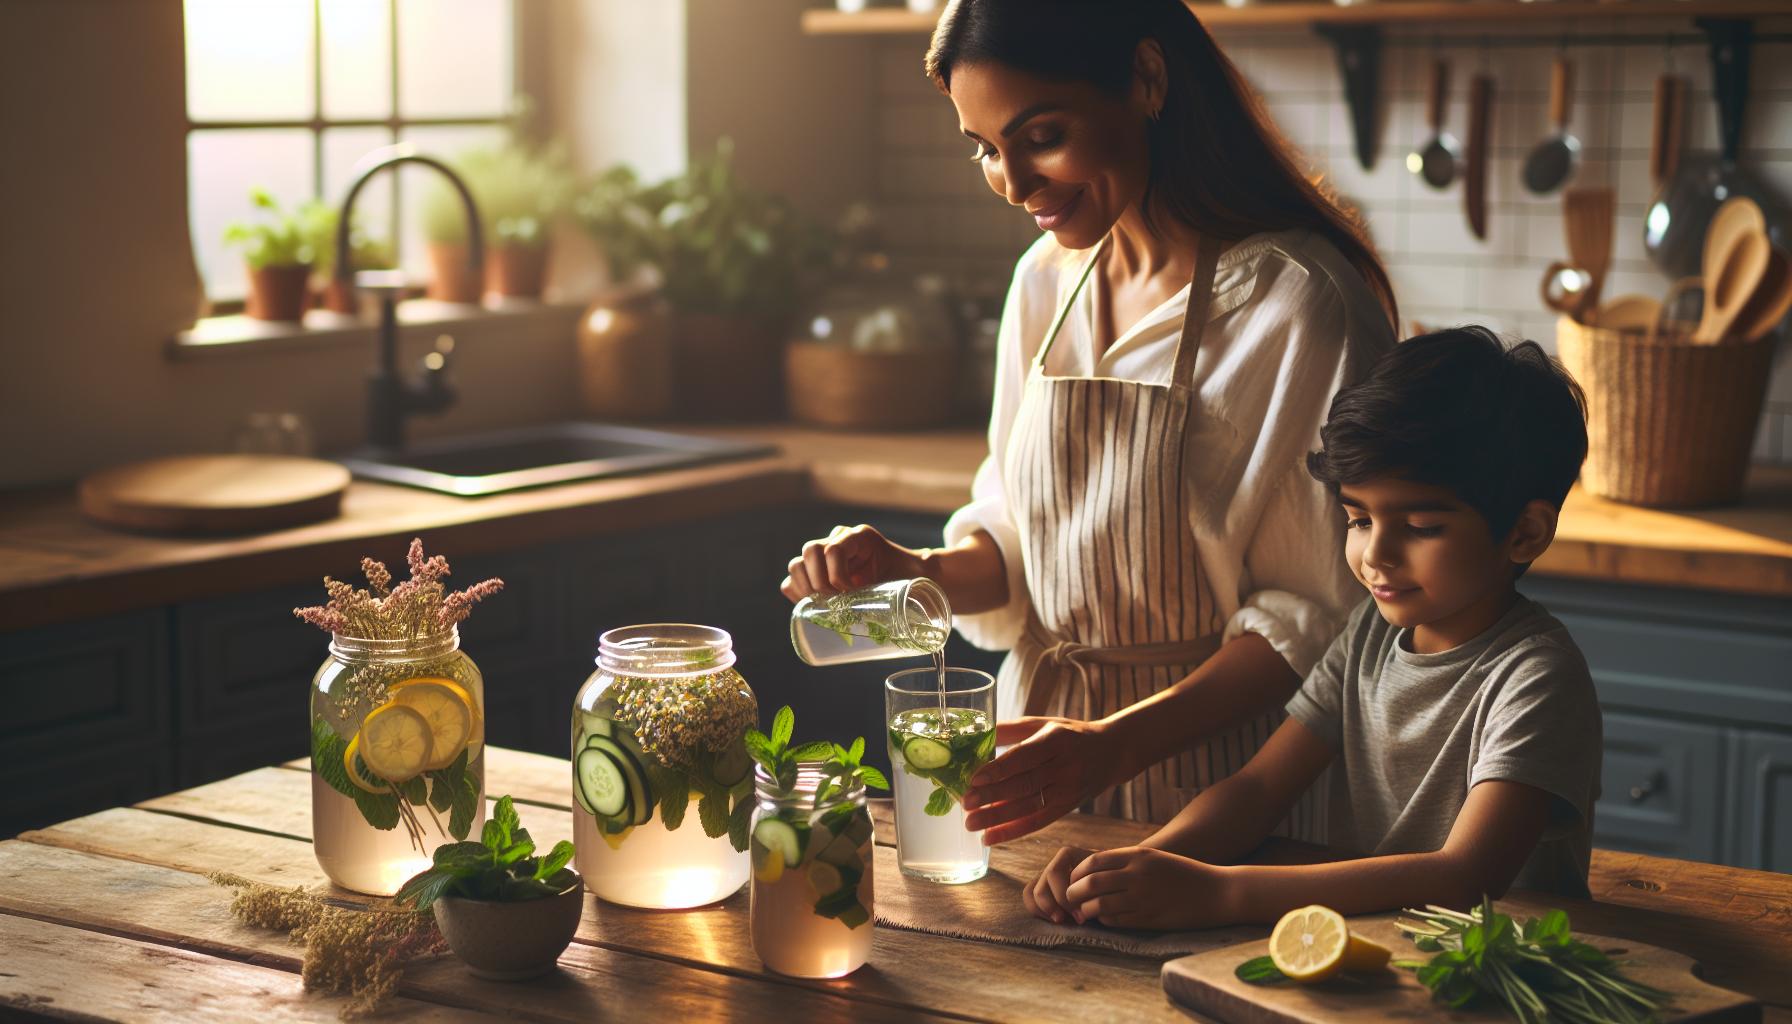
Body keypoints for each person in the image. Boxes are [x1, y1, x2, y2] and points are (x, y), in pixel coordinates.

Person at [781, 0, 1398, 841]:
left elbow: (1316, 620)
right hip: (1037, 767)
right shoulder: (1045, 279)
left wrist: (1112, 747)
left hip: (1222, 787)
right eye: (986, 150)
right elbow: (1022, 543)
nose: (1014, 183)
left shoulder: (1298, 305)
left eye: (1040, 136)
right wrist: (917, 569)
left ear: (1147, 78)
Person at [1022, 327, 1601, 929]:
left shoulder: (1535, 677)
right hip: (1385, 951)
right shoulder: (1367, 638)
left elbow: (1465, 877)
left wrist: (1220, 893)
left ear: (1526, 532)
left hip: (1511, 971)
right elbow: (1255, 791)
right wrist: (1132, 866)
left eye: (1423, 526)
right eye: (1358, 518)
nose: (1376, 554)